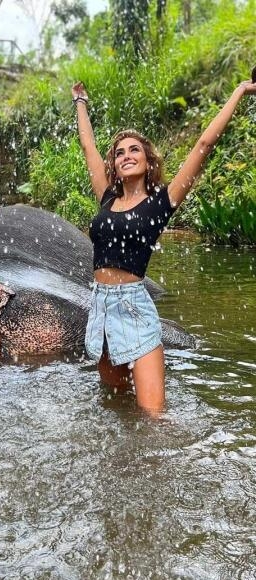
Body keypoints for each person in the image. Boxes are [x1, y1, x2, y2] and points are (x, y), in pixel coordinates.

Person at [73, 79, 256, 412]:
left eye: (134, 150)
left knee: (154, 419)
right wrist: (81, 102)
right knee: (116, 407)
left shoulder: (162, 201)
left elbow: (203, 145)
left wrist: (240, 91)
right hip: (100, 308)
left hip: (134, 308)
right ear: (113, 165)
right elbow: (88, 147)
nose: (125, 155)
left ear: (148, 161)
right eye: (119, 153)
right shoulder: (107, 197)